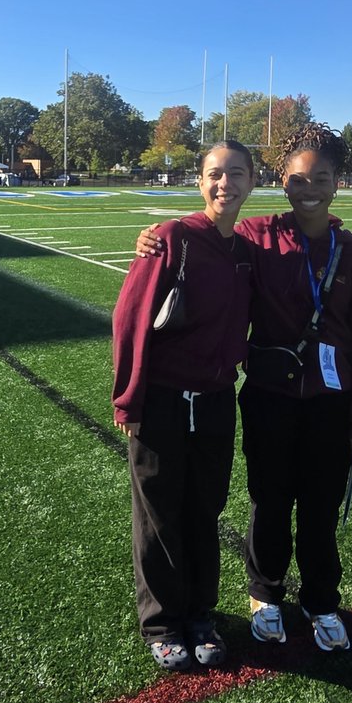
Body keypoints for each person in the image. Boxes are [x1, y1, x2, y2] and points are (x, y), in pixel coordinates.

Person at [136, 124, 352, 652]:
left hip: (330, 405)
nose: (310, 188)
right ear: (283, 181)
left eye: (321, 178)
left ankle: (321, 601)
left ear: (337, 183)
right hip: (269, 398)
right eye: (299, 179)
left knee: (320, 509)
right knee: (268, 501)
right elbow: (208, 234)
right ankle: (266, 593)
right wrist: (156, 238)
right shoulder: (257, 237)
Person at [113, 142, 255, 671]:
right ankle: (162, 622)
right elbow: (129, 320)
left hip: (217, 401)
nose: (226, 185)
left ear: (252, 181)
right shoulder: (173, 238)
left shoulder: (245, 249)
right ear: (199, 182)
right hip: (163, 404)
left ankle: (200, 613)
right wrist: (129, 398)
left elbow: (294, 239)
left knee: (205, 510)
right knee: (157, 515)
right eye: (215, 175)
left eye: (236, 175)